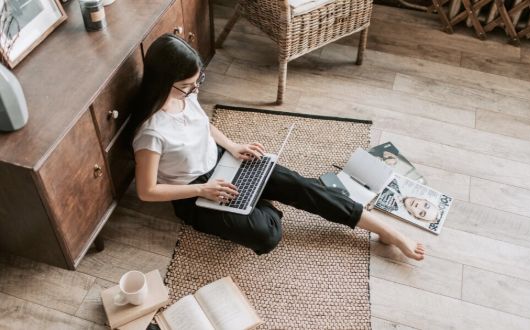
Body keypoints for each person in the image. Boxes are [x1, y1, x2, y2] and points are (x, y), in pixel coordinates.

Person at [130, 34, 425, 261]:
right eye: (188, 85)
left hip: (221, 162)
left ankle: (390, 233)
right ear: (164, 81)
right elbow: (147, 191)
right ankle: (257, 198)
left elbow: (201, 124)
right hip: (193, 193)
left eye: (198, 82)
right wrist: (201, 191)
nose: (195, 89)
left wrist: (232, 146)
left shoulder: (185, 95)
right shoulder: (151, 132)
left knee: (303, 187)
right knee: (267, 234)